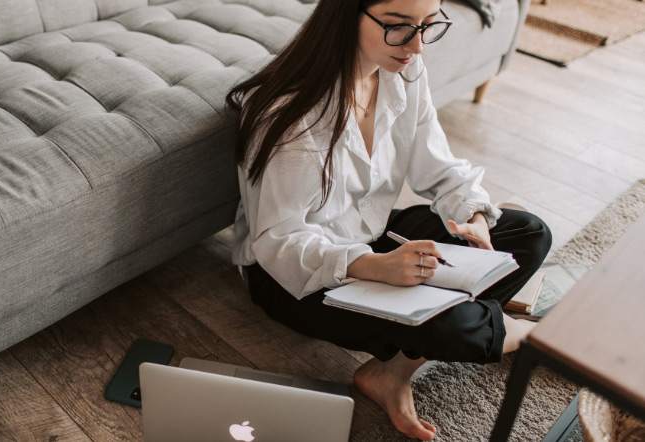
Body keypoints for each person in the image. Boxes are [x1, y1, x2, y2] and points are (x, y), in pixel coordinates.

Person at [226, 0, 552, 440]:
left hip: (374, 234)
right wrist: (375, 267)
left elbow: (437, 166)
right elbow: (279, 240)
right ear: (347, 14)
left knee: (528, 234)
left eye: (428, 26)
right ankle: (536, 335)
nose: (417, 46)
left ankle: (392, 372)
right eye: (399, 28)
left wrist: (472, 216)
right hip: (297, 275)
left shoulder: (403, 71)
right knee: (455, 327)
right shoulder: (291, 116)